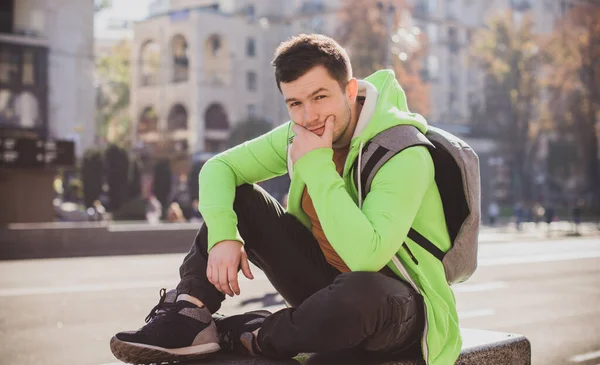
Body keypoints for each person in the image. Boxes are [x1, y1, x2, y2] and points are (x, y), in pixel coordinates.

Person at [110, 34, 460, 365]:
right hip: (324, 290)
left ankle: (254, 334)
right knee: (242, 199)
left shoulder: (403, 152)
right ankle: (189, 315)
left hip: (400, 307)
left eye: (321, 97)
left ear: (349, 90)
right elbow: (219, 168)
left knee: (361, 290)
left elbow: (366, 257)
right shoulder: (301, 132)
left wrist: (318, 165)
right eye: (295, 103)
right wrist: (223, 235)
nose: (309, 117)